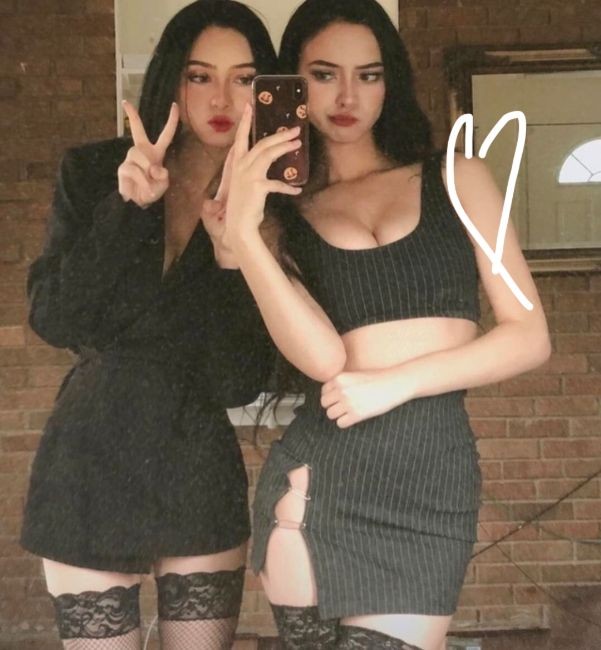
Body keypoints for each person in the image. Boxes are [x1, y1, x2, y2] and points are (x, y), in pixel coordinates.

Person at [214, 1, 552, 648]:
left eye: (368, 75)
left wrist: (395, 383)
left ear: (389, 81)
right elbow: (319, 359)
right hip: (318, 482)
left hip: (430, 483)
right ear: (291, 84)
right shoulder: (283, 215)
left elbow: (528, 335)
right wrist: (244, 236)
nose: (348, 96)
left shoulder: (457, 177)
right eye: (323, 74)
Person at [20, 2, 277, 648]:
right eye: (199, 76)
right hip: (91, 454)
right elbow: (55, 317)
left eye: (244, 79)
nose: (221, 98)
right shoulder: (96, 171)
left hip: (197, 460)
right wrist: (127, 208)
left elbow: (238, 380)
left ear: (268, 89)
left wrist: (231, 257)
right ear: (172, 79)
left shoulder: (270, 202)